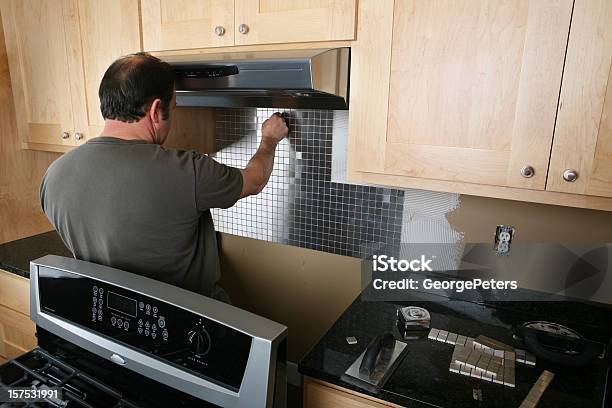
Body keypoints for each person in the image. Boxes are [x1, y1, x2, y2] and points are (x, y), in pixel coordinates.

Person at [40, 52, 288, 301]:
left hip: (109, 317)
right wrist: (269, 139)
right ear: (156, 110)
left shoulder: (54, 175)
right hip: (188, 323)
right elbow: (254, 180)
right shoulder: (187, 170)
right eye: (174, 107)